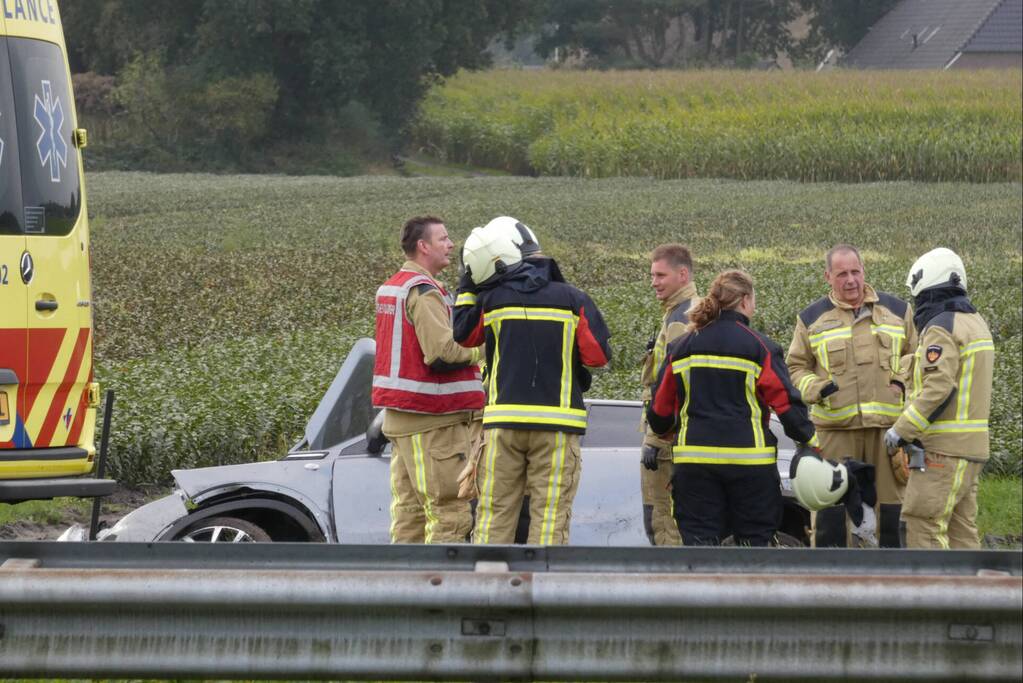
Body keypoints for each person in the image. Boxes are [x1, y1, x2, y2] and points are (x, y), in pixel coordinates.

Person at [454, 216, 612, 545]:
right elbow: (598, 356)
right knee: (550, 515)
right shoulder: (573, 299)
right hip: (556, 428)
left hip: (503, 427)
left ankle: (486, 588)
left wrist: (468, 285)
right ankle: (544, 590)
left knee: (494, 512)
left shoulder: (491, 300)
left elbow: (463, 335)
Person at [646, 270, 817, 546]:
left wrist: (667, 430)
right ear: (746, 300)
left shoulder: (681, 348)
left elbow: (659, 413)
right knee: (755, 548)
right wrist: (810, 440)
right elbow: (787, 405)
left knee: (700, 550)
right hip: (750, 468)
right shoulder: (760, 347)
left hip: (695, 467)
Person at [786, 245, 916, 548]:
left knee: (894, 510)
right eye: (842, 274)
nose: (850, 280)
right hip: (835, 429)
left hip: (887, 431)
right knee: (832, 508)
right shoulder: (811, 318)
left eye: (855, 272)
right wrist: (815, 388)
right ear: (828, 277)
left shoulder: (898, 311)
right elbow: (795, 367)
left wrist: (901, 381)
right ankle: (831, 580)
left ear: (864, 271)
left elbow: (916, 354)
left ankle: (895, 580)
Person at [372, 216, 485, 544]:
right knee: (449, 512)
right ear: (423, 246)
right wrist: (486, 350)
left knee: (409, 513)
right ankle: (442, 589)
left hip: (401, 419)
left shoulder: (394, 286)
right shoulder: (425, 291)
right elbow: (442, 352)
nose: (451, 245)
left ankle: (405, 589)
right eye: (443, 239)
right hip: (434, 420)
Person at [884, 248, 993, 549]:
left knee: (922, 526)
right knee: (961, 533)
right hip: (971, 450)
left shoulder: (940, 327)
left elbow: (938, 388)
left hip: (943, 451)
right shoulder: (975, 323)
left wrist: (900, 432)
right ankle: (973, 594)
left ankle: (933, 596)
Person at [638, 244, 699, 546]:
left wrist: (654, 438)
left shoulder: (680, 318)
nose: (654, 282)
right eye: (652, 275)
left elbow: (672, 387)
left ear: (683, 274)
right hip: (681, 437)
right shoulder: (687, 311)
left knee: (663, 522)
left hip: (668, 443)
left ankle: (671, 588)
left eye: (661, 275)